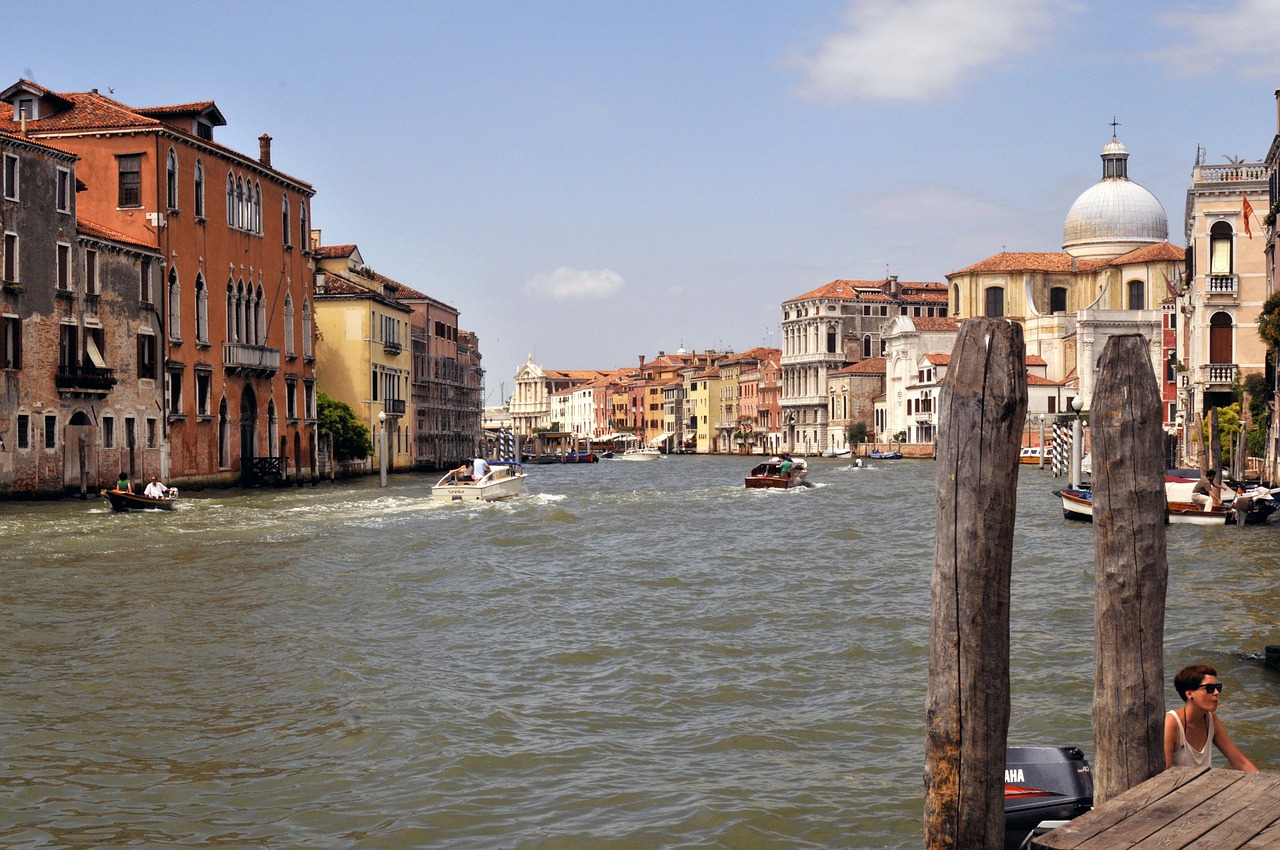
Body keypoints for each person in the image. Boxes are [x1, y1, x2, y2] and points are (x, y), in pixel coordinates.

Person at [1164, 664, 1258, 772]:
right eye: (1209, 689)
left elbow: (1239, 761)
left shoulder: (1210, 718)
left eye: (1218, 687)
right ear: (1189, 693)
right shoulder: (1171, 723)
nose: (1216, 693)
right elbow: (1163, 772)